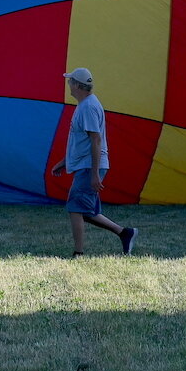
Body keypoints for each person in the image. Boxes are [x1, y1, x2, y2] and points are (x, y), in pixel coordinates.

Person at [48, 68, 136, 257]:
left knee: (75, 208)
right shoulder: (85, 105)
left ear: (78, 86)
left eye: (70, 81)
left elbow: (95, 140)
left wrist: (95, 174)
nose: (68, 85)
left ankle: (78, 253)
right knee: (86, 211)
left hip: (89, 166)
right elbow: (82, 142)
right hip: (86, 164)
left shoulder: (88, 107)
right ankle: (124, 233)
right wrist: (65, 162)